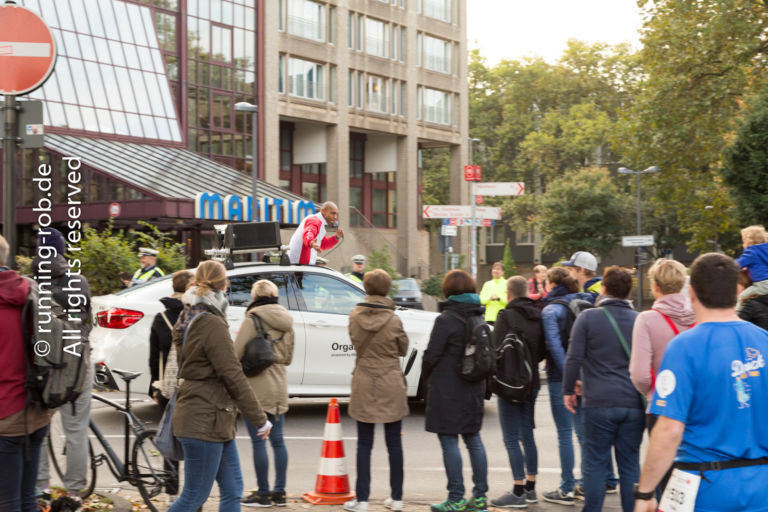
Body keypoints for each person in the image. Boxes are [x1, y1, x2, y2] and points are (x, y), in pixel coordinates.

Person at [633, 253, 768, 512]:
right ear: (737, 291)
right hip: (761, 485)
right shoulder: (764, 341)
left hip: (706, 485)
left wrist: (646, 491)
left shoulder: (684, 347)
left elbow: (669, 429)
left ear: (691, 292)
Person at [168, 260, 272, 512]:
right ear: (224, 285)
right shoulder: (211, 323)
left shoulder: (190, 314)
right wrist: (259, 418)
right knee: (194, 496)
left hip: (214, 417)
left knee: (233, 489)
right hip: (204, 417)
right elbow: (231, 373)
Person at [563, 267, 644, 512]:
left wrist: (568, 389)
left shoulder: (588, 318)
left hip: (598, 401)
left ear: (604, 289)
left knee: (595, 464)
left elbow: (573, 358)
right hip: (632, 402)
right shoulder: (640, 319)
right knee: (630, 464)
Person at [33, 228, 93, 505]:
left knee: (40, 427)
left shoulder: (30, 284)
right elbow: (86, 323)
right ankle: (73, 493)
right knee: (76, 429)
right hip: (77, 365)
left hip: (43, 366)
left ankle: (41, 486)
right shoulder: (78, 282)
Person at [422, 269, 489, 512]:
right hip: (473, 387)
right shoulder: (478, 316)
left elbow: (431, 355)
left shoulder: (446, 319)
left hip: (447, 389)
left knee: (449, 440)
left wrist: (426, 373)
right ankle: (480, 498)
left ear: (448, 291)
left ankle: (456, 498)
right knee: (473, 440)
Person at [343, 269, 410, 512]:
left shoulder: (354, 316)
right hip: (390, 380)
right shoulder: (394, 319)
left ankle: (361, 500)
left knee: (364, 444)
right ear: (387, 289)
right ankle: (397, 498)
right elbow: (403, 347)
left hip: (363, 379)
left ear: (367, 288)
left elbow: (355, 341)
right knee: (394, 443)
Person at [0, 234, 51, 512]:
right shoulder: (30, 290)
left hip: (6, 412)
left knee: (7, 502)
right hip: (37, 408)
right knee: (27, 499)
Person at [235, 280, 295, 508]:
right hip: (279, 385)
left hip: (256, 388)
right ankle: (280, 494)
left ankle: (262, 495)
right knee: (278, 442)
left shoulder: (253, 319)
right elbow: (288, 358)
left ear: (254, 297)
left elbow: (235, 352)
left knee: (259, 442)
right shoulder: (288, 322)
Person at [490, 276, 546, 509]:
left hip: (510, 384)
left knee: (511, 437)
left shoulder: (505, 316)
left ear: (509, 294)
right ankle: (531, 489)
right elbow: (543, 350)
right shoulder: (538, 316)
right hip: (531, 382)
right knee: (527, 435)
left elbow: (496, 350)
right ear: (527, 292)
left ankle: (517, 491)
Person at [540, 267, 589, 505]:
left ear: (551, 284)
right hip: (588, 375)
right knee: (583, 434)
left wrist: (570, 378)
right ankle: (586, 483)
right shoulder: (585, 301)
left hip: (562, 379)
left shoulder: (551, 309)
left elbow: (554, 347)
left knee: (564, 434)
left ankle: (567, 488)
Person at [629, 259, 695, 422]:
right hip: (696, 405)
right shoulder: (698, 317)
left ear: (655, 286)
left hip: (662, 405)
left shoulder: (646, 319)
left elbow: (640, 375)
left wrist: (651, 393)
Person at [149, 270, 194, 407]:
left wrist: (156, 386)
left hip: (169, 385)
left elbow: (155, 357)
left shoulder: (161, 318)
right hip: (194, 382)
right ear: (190, 287)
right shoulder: (197, 313)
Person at [735, 225, 768, 311]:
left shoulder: (751, 252)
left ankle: (736, 316)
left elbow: (737, 265)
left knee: (741, 297)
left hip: (762, 284)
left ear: (749, 241)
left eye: (743, 241)